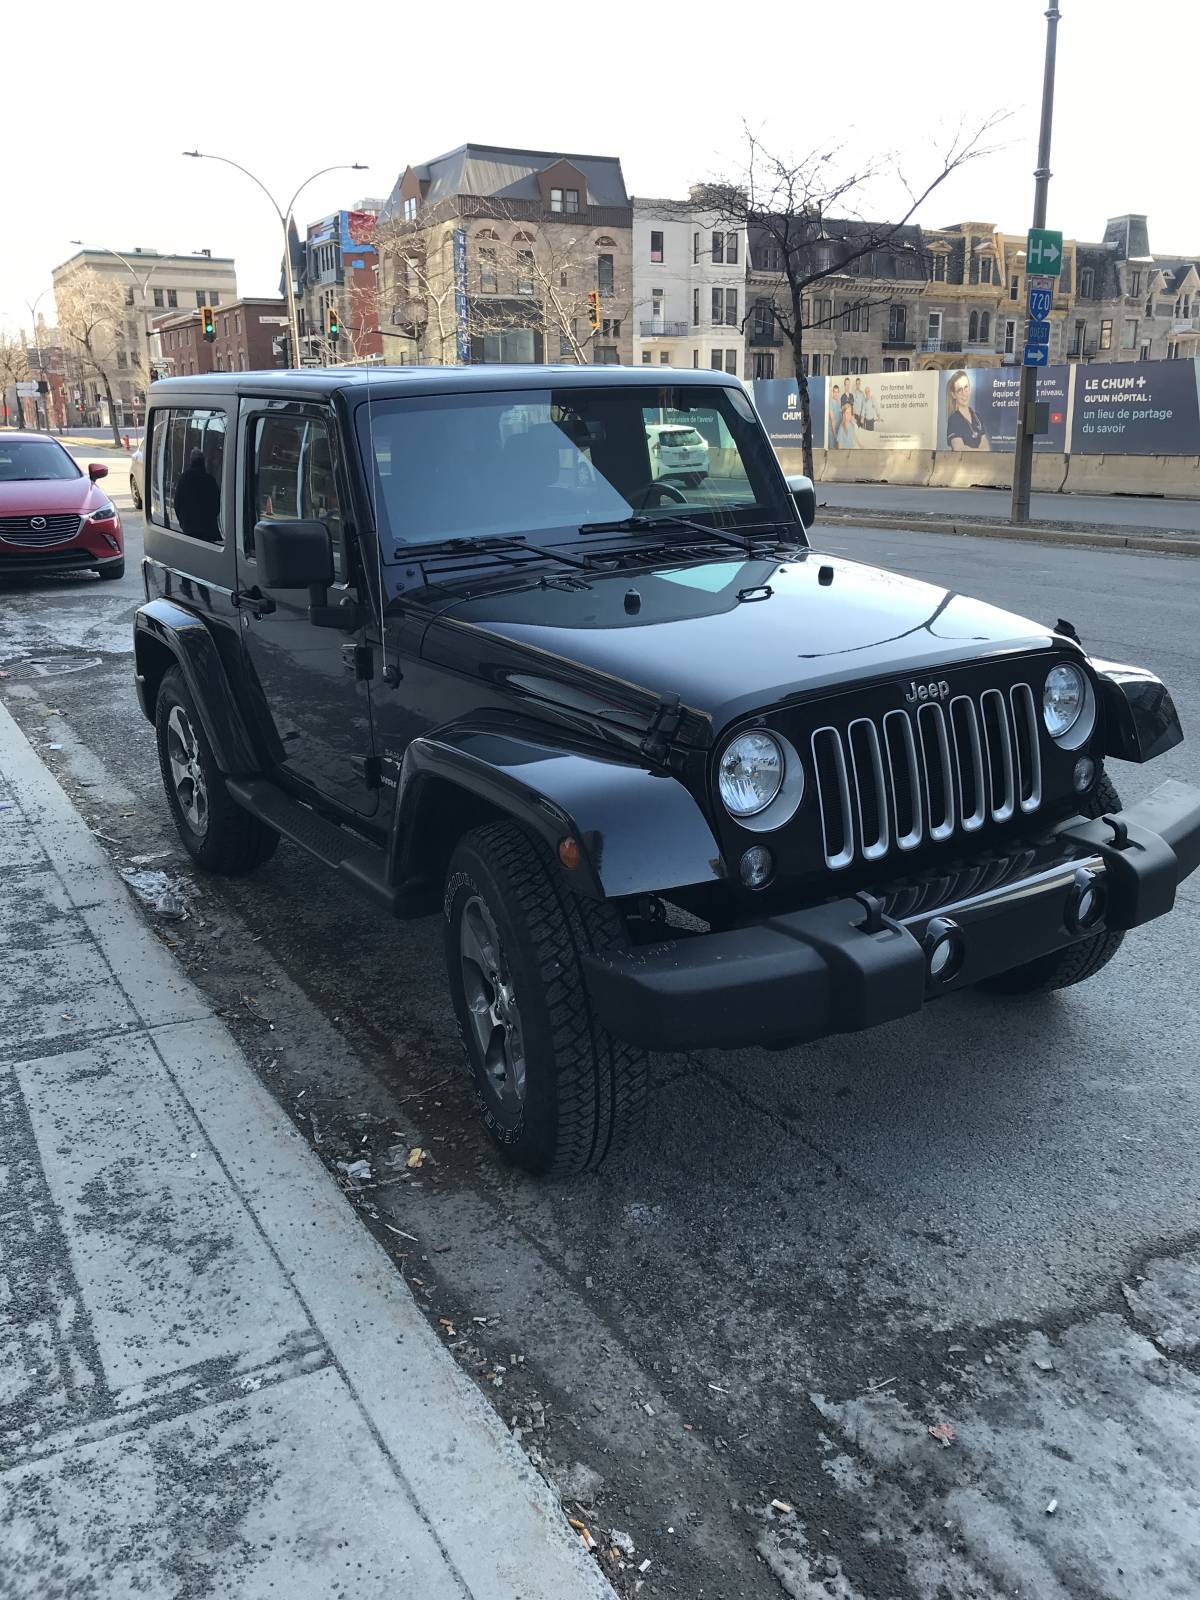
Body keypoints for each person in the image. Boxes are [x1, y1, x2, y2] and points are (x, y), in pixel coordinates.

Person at [173, 448, 221, 539]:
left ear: (191, 462)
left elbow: (177, 504)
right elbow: (217, 505)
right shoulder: (210, 480)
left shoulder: (183, 479)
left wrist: (183, 523)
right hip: (208, 529)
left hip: (189, 528)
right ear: (203, 462)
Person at [945, 370, 990, 451]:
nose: (964, 393)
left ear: (970, 389)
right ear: (954, 395)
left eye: (966, 387)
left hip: (982, 463)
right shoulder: (953, 420)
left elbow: (986, 447)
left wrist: (973, 450)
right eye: (959, 390)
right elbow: (959, 448)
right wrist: (981, 452)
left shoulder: (977, 417)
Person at [827, 383, 842, 448]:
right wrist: (835, 435)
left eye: (837, 392)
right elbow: (832, 419)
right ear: (832, 392)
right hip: (832, 431)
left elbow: (840, 416)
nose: (836, 394)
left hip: (838, 430)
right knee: (832, 450)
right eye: (834, 392)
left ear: (839, 393)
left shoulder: (839, 402)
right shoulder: (830, 402)